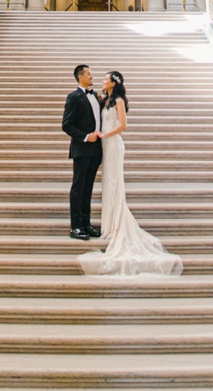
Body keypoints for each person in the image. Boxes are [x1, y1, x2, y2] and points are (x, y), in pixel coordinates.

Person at [77, 72, 183, 277]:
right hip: (105, 146)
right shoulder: (105, 99)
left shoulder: (117, 100)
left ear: (113, 83)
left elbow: (123, 125)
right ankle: (109, 225)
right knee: (108, 184)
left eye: (105, 78)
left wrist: (104, 135)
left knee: (114, 183)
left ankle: (115, 225)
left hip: (114, 145)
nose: (102, 80)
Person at [61, 64, 102, 241]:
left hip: (96, 150)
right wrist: (85, 137)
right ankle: (76, 226)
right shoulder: (74, 97)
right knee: (78, 187)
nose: (92, 76)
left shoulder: (94, 96)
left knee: (88, 188)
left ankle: (86, 223)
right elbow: (66, 125)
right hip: (82, 148)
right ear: (80, 77)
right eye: (89, 74)